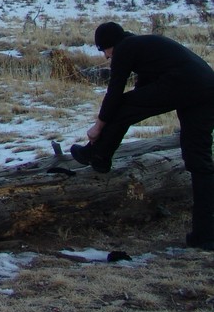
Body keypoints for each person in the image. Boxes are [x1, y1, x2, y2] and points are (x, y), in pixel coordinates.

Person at [70, 21, 214, 250]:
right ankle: (205, 235)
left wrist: (98, 127)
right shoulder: (145, 49)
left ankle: (98, 156)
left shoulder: (126, 48)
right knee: (200, 161)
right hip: (206, 87)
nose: (106, 57)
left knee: (121, 107)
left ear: (110, 44)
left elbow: (115, 92)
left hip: (185, 84)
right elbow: (142, 93)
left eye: (103, 50)